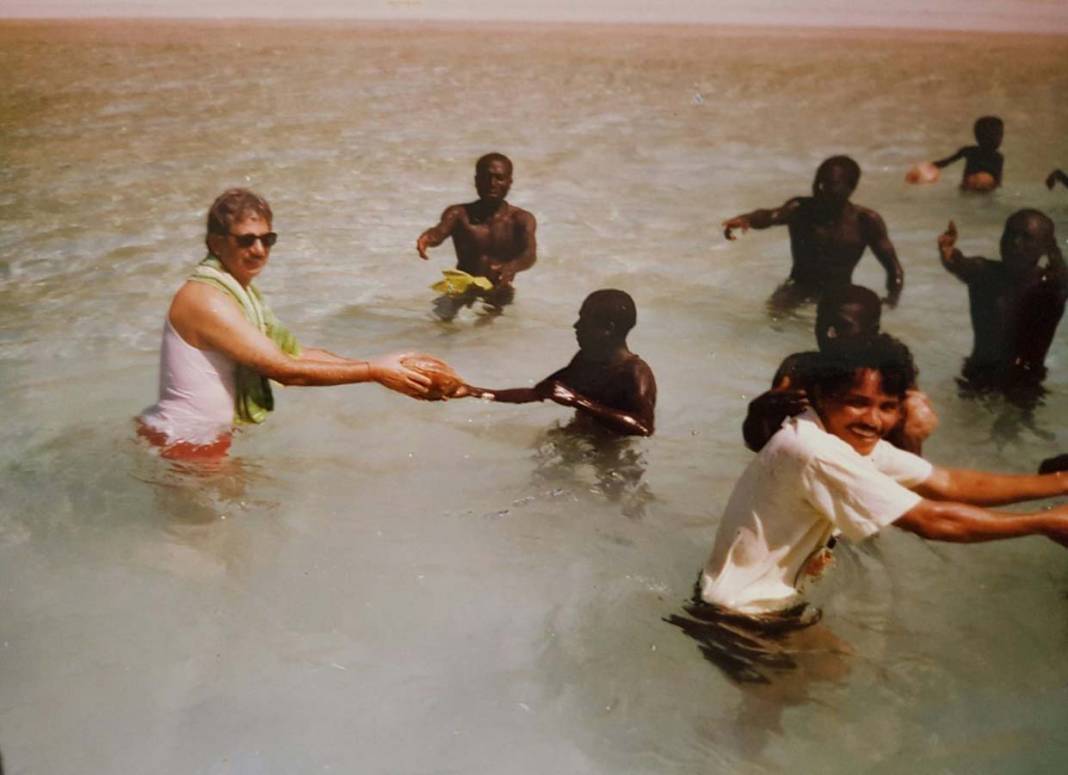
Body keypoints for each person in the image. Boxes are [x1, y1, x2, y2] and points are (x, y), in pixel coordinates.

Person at [697, 334, 1068, 619]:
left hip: (747, 606)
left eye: (888, 407)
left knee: (834, 680)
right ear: (823, 395)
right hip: (742, 618)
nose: (874, 421)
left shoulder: (841, 437)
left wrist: (1061, 483)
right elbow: (931, 520)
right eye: (858, 402)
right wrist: (1043, 522)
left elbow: (949, 483)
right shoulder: (816, 451)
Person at [139, 188, 434, 459]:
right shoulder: (206, 300)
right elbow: (283, 370)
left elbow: (294, 355)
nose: (259, 250)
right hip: (183, 442)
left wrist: (388, 368)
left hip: (200, 440)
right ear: (216, 243)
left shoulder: (240, 294)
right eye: (246, 239)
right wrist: (373, 372)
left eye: (267, 239)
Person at [742, 284, 937, 454]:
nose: (828, 335)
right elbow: (764, 447)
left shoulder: (887, 374)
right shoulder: (798, 368)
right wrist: (758, 415)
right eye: (823, 324)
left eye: (841, 327)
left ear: (873, 330)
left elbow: (908, 459)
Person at [462, 289, 656, 436]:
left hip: (616, 452)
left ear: (608, 328)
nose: (576, 326)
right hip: (582, 437)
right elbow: (539, 392)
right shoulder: (586, 360)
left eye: (584, 320)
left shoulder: (635, 372)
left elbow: (644, 427)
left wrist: (578, 401)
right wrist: (473, 392)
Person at [722, 155, 905, 310]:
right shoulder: (800, 209)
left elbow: (893, 267)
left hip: (839, 294)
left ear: (850, 188)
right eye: (819, 182)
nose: (820, 190)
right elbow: (770, 216)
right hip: (796, 289)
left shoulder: (865, 221)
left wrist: (892, 300)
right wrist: (746, 219)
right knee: (771, 327)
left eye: (830, 185)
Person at [938, 210, 1066, 393]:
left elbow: (1063, 278)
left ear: (1044, 247)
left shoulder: (1049, 288)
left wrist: (1054, 251)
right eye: (1010, 234)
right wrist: (947, 250)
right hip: (978, 373)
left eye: (1026, 238)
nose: (1015, 242)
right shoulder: (983, 272)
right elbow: (955, 262)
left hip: (1024, 381)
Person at [416, 153, 537, 320]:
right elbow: (439, 233)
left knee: (488, 338)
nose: (492, 184)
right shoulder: (459, 214)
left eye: (499, 178)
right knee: (435, 325)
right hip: (461, 288)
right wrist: (426, 238)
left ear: (510, 182)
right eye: (486, 178)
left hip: (498, 292)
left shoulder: (521, 219)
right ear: (476, 180)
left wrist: (510, 268)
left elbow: (529, 254)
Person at [930, 116, 1004, 191]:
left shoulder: (969, 150)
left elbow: (947, 161)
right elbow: (998, 181)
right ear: (998, 138)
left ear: (977, 135)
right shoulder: (998, 157)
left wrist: (932, 165)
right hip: (986, 185)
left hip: (969, 182)